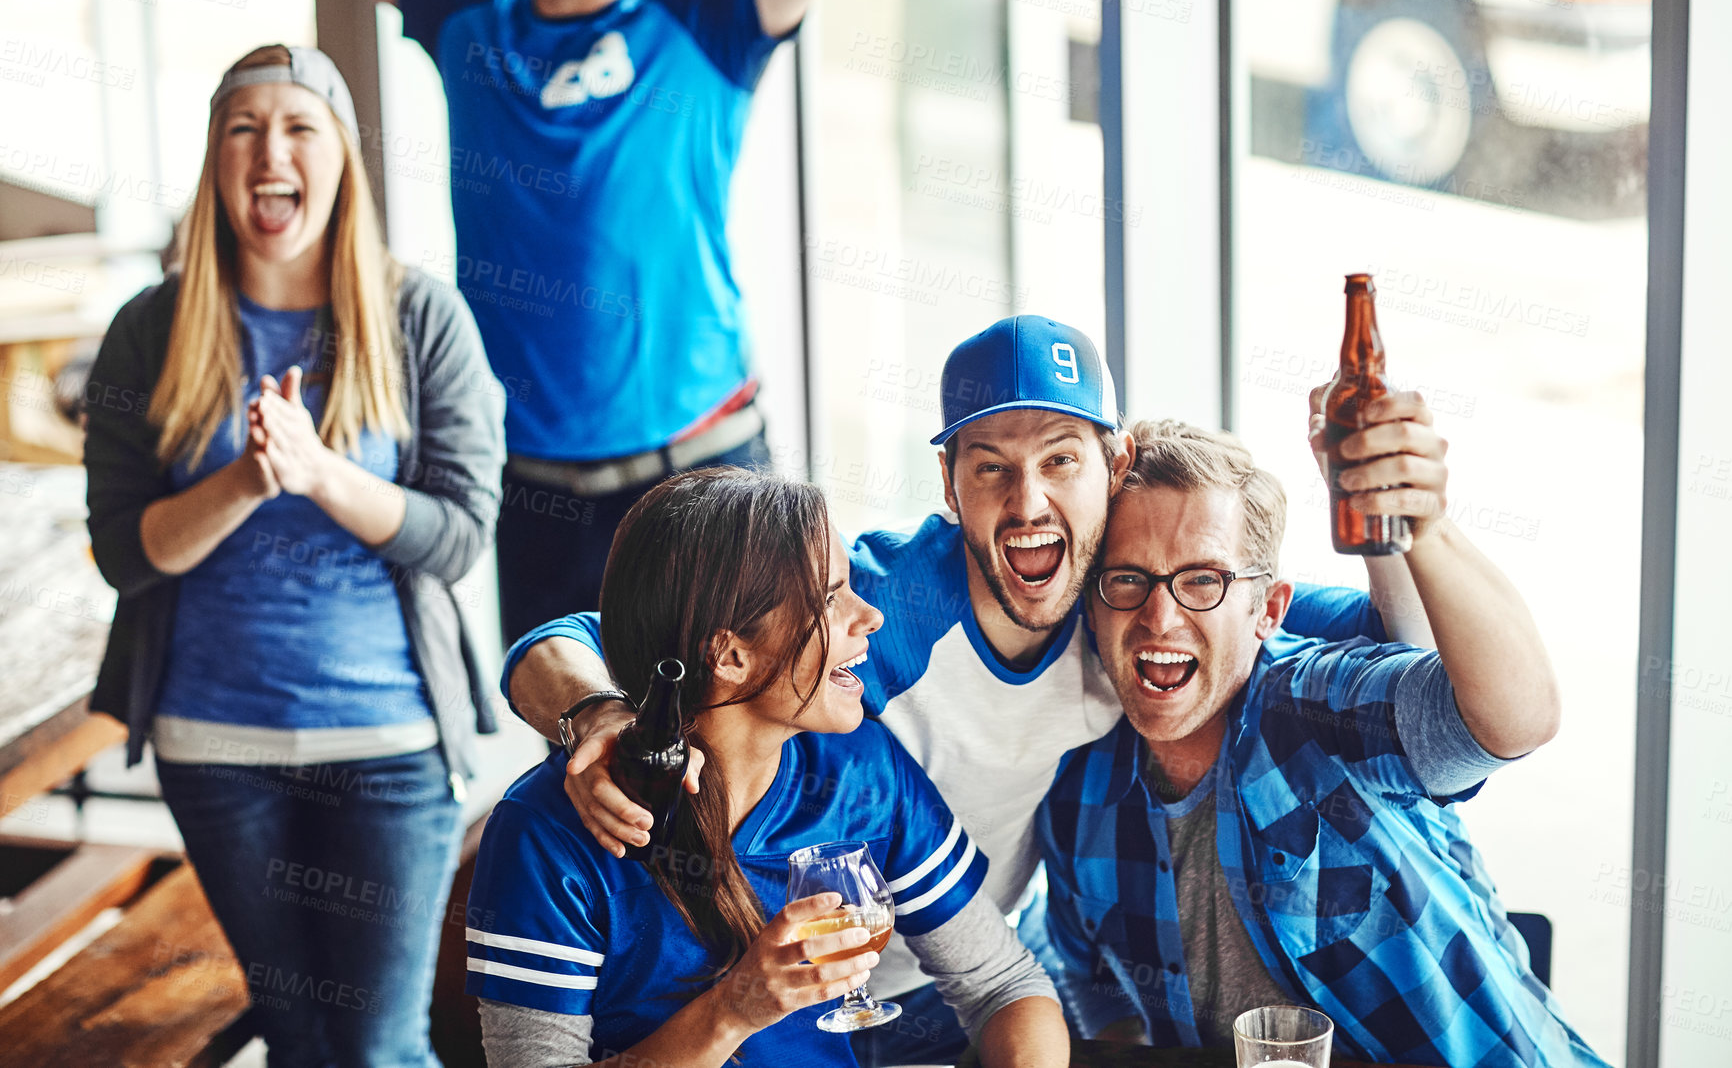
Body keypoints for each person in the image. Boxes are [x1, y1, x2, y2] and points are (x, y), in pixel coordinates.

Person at [500, 316, 1438, 1064]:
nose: (1028, 502)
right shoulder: (886, 611)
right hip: (820, 997)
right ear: (949, 485)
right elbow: (620, 631)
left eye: (1061, 459)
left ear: (1113, 470)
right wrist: (596, 713)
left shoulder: (1135, 595)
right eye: (991, 467)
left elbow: (1407, 657)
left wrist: (1393, 518)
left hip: (957, 980)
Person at [83, 44, 505, 1067]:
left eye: (298, 127)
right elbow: (123, 552)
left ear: (340, 161)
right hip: (214, 750)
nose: (270, 150)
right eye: (243, 128)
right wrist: (244, 479)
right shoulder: (149, 332)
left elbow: (458, 531)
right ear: (216, 162)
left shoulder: (417, 316)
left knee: (376, 1046)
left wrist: (319, 471)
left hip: (389, 745)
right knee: (302, 1038)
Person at [310, 0, 866, 644]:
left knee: (734, 739)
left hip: (701, 477)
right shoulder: (466, 11)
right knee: (578, 743)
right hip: (536, 495)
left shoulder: (706, 10)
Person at [1034, 413, 1610, 1066]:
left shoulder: (1313, 707)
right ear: (1091, 603)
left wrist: (1418, 519)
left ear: (1269, 610)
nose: (1159, 618)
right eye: (1128, 579)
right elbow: (1092, 988)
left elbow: (1518, 719)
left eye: (1203, 580)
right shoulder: (1077, 797)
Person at [465, 468, 1069, 1067]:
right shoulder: (545, 834)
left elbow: (1002, 986)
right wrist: (733, 1010)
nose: (870, 617)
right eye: (832, 599)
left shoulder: (862, 773)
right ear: (729, 654)